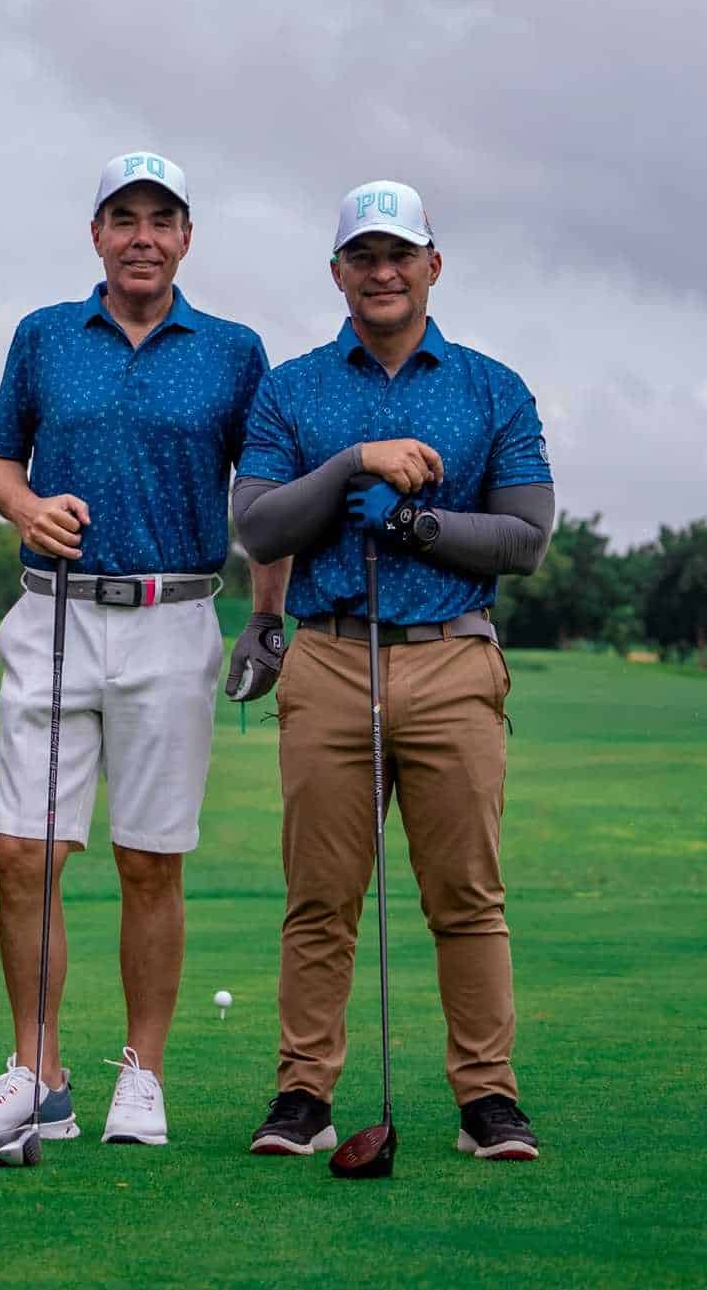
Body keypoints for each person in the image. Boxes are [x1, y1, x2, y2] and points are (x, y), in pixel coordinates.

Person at [0, 151, 289, 1149]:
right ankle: (36, 1072)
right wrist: (21, 505)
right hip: (51, 613)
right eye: (122, 218)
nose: (142, 236)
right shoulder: (46, 336)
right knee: (21, 852)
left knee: (149, 861)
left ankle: (141, 1074)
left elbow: (258, 499)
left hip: (174, 617)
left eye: (160, 220)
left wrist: (264, 619)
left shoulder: (231, 350)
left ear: (184, 237)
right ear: (96, 233)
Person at [233, 179, 554, 1161]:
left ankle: (486, 1098)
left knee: (465, 895)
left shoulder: (490, 388)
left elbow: (525, 536)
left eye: (397, 254)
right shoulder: (290, 388)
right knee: (320, 896)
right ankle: (302, 1095)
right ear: (338, 273)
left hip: (451, 658)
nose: (380, 272)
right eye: (361, 257)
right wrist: (346, 470)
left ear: (431, 266)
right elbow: (254, 524)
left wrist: (412, 523)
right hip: (328, 655)